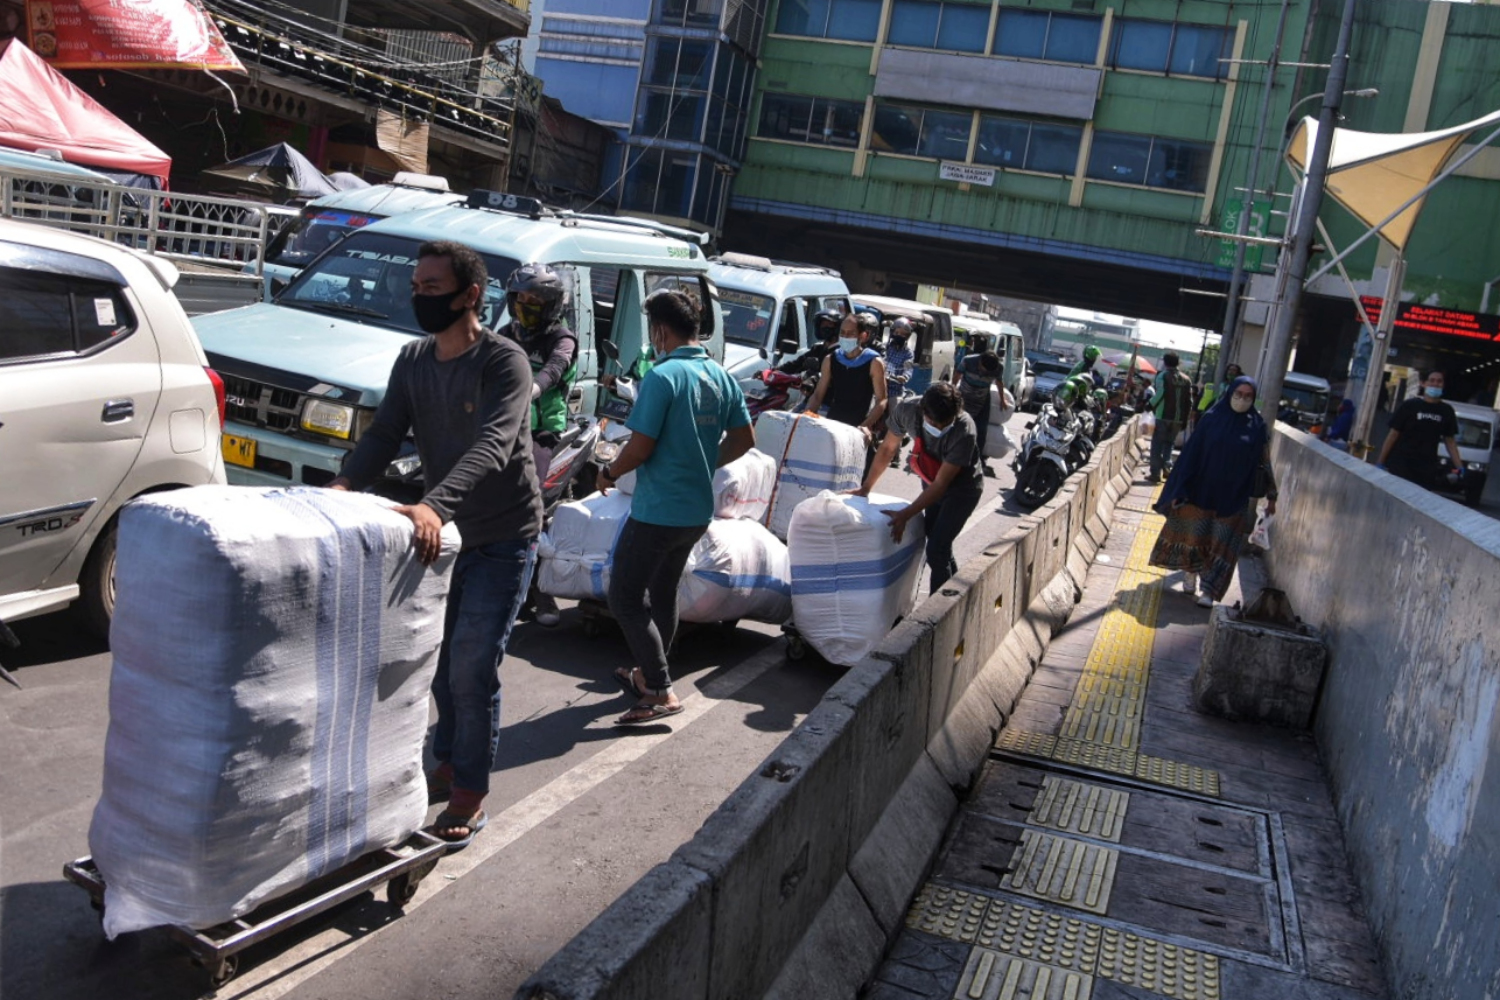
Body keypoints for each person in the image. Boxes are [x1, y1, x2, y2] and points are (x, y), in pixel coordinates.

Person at [329, 240, 542, 848]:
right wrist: (343, 485)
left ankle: (470, 789)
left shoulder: (505, 362)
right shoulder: (414, 359)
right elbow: (385, 434)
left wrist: (433, 504)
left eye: (432, 289)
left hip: (503, 535)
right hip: (443, 537)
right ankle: (448, 753)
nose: (420, 298)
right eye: (416, 288)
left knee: (473, 666)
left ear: (470, 295)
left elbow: (494, 444)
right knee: (440, 662)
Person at [597, 289, 754, 725]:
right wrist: (703, 460)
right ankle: (649, 676)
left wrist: (608, 473)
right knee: (663, 593)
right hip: (694, 512)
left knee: (624, 597)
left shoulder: (663, 378)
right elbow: (744, 439)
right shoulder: (720, 376)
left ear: (661, 330)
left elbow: (640, 446)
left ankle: (661, 689)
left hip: (658, 511)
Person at [1150, 377, 1277, 608]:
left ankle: (1208, 590)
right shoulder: (1211, 420)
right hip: (1199, 491)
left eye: (1248, 396)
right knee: (1195, 537)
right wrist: (1180, 488)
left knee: (1223, 544)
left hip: (1234, 496)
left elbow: (1264, 461)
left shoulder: (1257, 427)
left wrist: (1272, 496)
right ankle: (1190, 574)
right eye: (1238, 394)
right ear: (1229, 393)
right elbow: (1191, 455)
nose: (1242, 400)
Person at [500, 263, 578, 628]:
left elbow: (555, 368)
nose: (525, 306)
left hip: (539, 433)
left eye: (534, 300)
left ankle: (538, 588)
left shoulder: (562, 339)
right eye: (521, 299)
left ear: (551, 305)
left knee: (527, 506)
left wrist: (532, 388)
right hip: (499, 428)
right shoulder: (505, 333)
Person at [855, 382, 984, 591]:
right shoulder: (907, 410)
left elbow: (943, 484)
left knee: (936, 549)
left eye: (945, 423)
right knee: (937, 543)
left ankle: (936, 614)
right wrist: (866, 488)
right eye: (934, 422)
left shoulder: (964, 429)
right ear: (922, 410)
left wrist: (904, 515)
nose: (940, 428)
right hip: (932, 481)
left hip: (962, 490)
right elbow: (888, 449)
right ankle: (952, 597)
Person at [803, 311, 887, 444]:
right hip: (832, 423)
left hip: (858, 428)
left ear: (863, 336)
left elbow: (881, 400)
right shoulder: (831, 359)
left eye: (850, 333)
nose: (845, 337)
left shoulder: (874, 362)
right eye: (842, 333)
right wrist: (806, 415)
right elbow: (818, 395)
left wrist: (865, 425)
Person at [1376, 369, 1462, 490]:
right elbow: (1393, 434)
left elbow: (1450, 441)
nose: (1435, 384)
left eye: (1439, 381)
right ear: (1423, 383)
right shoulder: (1410, 406)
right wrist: (1381, 461)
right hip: (1401, 463)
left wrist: (1459, 467)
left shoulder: (1447, 411)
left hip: (1426, 467)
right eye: (1431, 381)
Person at [954, 350, 1004, 474]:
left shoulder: (998, 367)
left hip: (983, 399)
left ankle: (977, 461)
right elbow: (957, 375)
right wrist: (952, 389)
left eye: (988, 372)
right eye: (983, 369)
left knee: (981, 430)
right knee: (958, 426)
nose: (984, 373)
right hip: (964, 396)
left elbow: (999, 382)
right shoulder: (968, 361)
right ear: (980, 361)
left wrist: (1003, 400)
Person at [1147, 352, 1193, 484]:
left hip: (1162, 416)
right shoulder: (1186, 379)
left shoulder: (1163, 376)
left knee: (1157, 445)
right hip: (1178, 419)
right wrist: (1185, 419)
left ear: (1165, 362)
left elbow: (1160, 393)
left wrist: (1149, 405)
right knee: (1169, 444)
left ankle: (1155, 474)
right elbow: (1189, 401)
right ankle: (1167, 466)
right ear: (1178, 363)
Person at [885, 317, 915, 403]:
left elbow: (908, 368)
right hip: (879, 386)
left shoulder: (908, 353)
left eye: (903, 334)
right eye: (897, 333)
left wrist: (904, 377)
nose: (899, 336)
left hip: (895, 391)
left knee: (894, 412)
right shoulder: (885, 347)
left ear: (907, 337)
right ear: (892, 333)